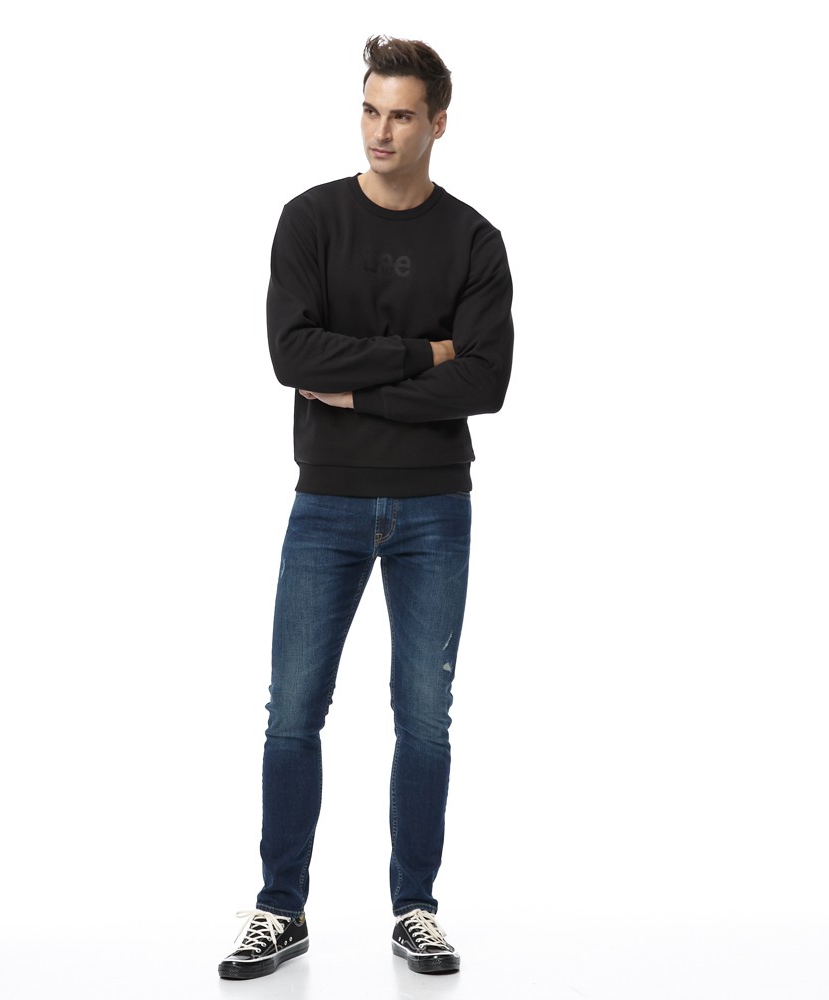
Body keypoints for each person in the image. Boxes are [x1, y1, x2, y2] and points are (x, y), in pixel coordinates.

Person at [218, 34, 514, 980]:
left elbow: (487, 380)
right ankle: (280, 909)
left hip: (436, 505)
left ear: (438, 124)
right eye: (370, 110)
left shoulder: (474, 241)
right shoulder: (310, 221)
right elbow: (293, 356)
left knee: (425, 717)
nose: (381, 132)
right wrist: (423, 356)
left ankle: (416, 909)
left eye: (402, 116)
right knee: (292, 712)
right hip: (328, 501)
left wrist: (361, 387)